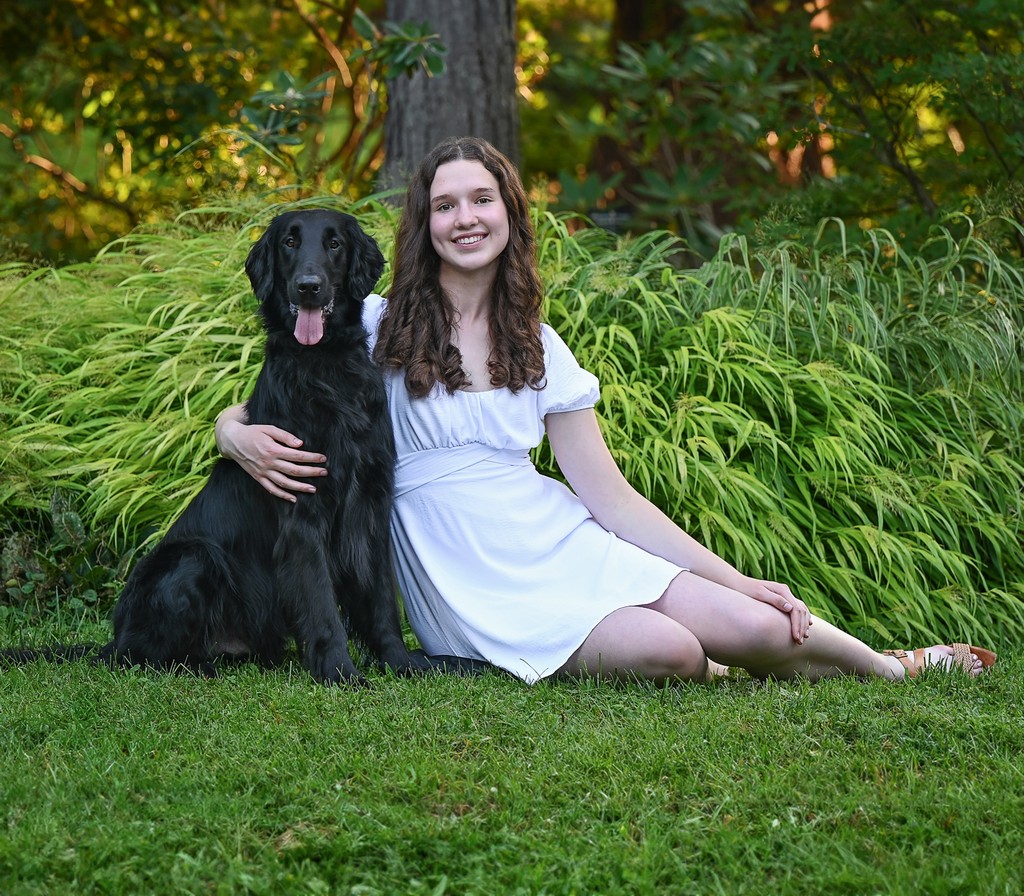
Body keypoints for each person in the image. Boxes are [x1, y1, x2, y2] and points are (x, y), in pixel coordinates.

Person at [215, 136, 996, 685]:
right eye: (446, 204)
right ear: (425, 224)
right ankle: (728, 669)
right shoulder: (378, 318)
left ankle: (897, 666)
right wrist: (232, 434)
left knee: (754, 624)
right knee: (674, 653)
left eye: (482, 198)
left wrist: (736, 579)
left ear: (510, 214)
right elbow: (267, 393)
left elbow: (611, 498)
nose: (466, 217)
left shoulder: (539, 342)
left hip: (554, 534)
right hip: (464, 573)